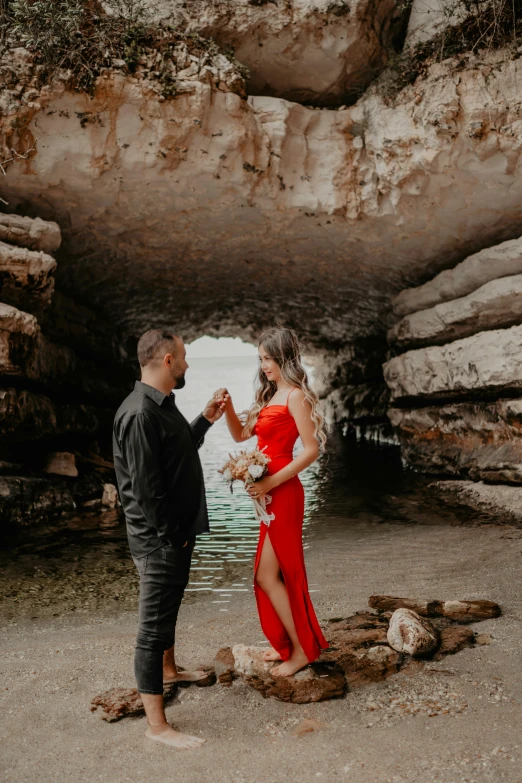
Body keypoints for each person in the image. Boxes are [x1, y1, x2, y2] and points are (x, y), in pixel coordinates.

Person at [113, 328, 228, 749]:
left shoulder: (160, 406)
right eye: (182, 356)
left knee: (167, 609)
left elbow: (177, 452)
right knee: (151, 628)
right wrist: (172, 537)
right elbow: (146, 491)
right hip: (160, 541)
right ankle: (157, 726)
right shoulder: (141, 413)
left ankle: (170, 671)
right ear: (166, 361)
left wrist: (205, 419)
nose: (186, 363)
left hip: (171, 537)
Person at [219, 326, 328, 677]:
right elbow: (240, 434)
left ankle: (299, 651)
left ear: (284, 358)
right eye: (261, 359)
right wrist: (229, 407)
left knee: (276, 573)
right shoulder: (266, 398)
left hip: (284, 492)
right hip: (268, 494)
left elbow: (311, 450)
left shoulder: (296, 396)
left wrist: (271, 480)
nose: (264, 365)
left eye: (268, 358)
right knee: (266, 575)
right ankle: (289, 645)